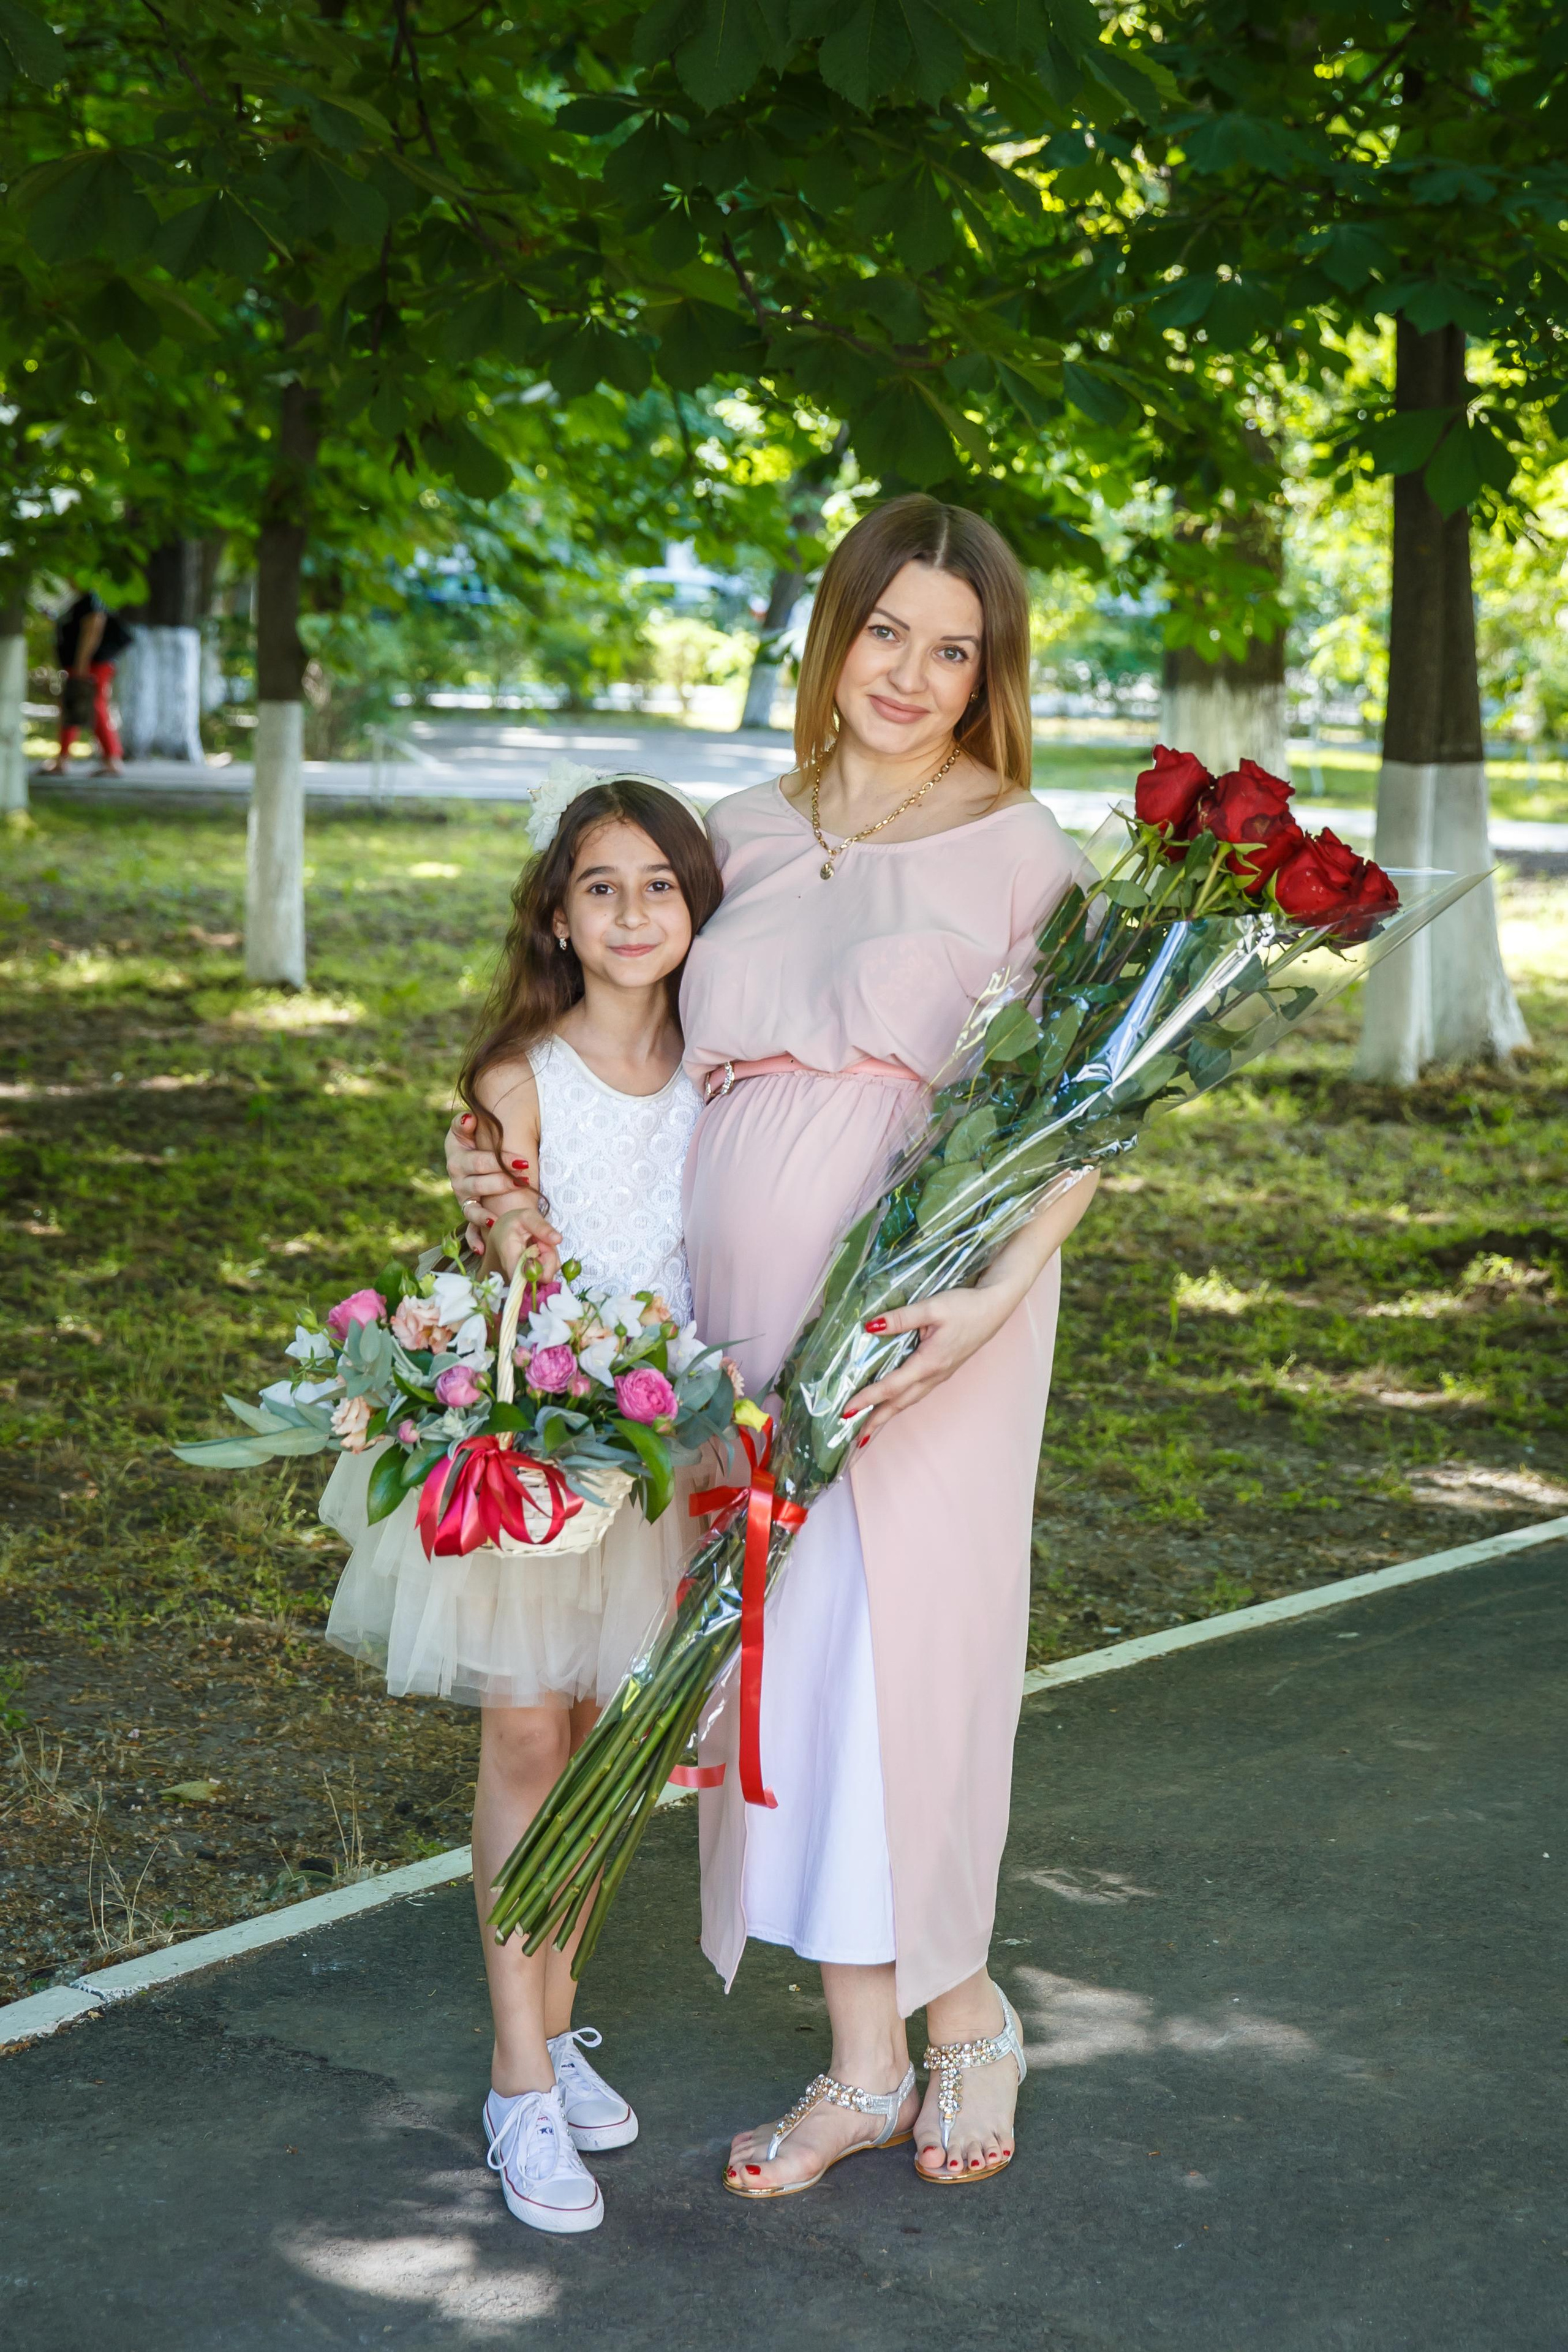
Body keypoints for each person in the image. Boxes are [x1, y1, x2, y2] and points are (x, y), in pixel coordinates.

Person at [447, 496, 1099, 2198]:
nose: (913, 673)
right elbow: (621, 1008)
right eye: (889, 630)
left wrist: (989, 1289)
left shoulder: (1028, 849)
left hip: (923, 1314)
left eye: (955, 649)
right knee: (782, 1682)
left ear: (989, 674)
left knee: (905, 1668)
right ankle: (869, 2061)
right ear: (834, 631)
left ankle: (962, 2022)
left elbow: (1084, 1121)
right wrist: (495, 1133)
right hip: (720, 1331)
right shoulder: (738, 826)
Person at [324, 774, 722, 2234]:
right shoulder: (519, 1078)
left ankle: (555, 2019)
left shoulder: (720, 1066)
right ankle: (516, 2082)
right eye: (599, 885)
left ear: (695, 906)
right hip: (544, 1449)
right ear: (556, 912)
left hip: (673, 1460)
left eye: (660, 884)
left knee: (615, 1758)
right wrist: (508, 1217)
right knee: (526, 1733)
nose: (631, 912)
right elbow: (510, 1254)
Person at [37, 587, 132, 777]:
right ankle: (63, 759)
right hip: (82, 665)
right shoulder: (79, 601)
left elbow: (94, 627)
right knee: (72, 705)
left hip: (91, 665)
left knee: (95, 706)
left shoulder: (92, 599)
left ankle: (112, 759)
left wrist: (82, 664)